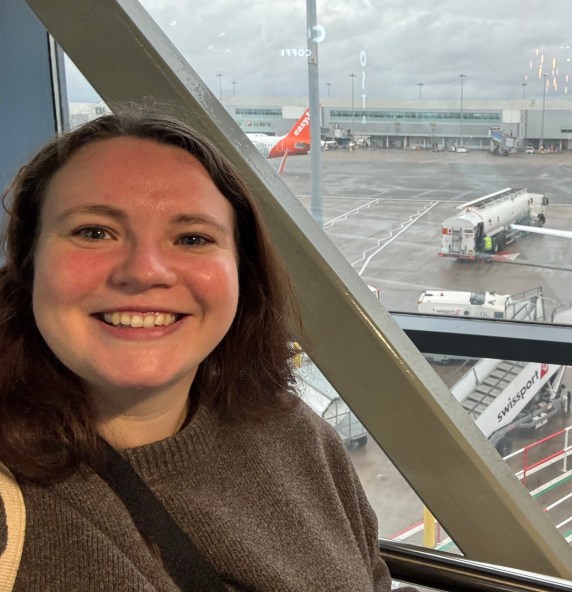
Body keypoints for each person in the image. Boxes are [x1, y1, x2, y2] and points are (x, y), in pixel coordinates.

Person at [0, 111, 415, 591]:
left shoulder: (297, 435)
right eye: (94, 232)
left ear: (242, 272)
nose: (145, 271)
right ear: (28, 263)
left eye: (193, 238)